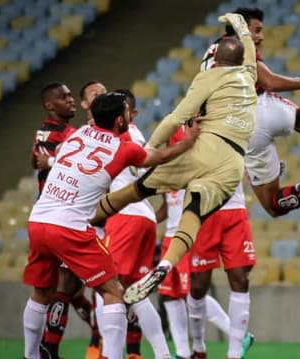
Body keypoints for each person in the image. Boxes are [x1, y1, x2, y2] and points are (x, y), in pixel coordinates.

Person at [87, 13, 259, 305]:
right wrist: (242, 28)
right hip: (232, 165)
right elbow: (251, 54)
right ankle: (165, 265)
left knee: (138, 189)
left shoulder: (209, 76)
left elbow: (176, 118)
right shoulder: (250, 75)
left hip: (205, 148)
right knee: (193, 212)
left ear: (215, 60)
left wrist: (150, 148)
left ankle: (86, 218)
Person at [22, 92, 200, 359]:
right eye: (127, 112)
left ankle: (30, 355)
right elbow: (158, 158)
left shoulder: (79, 133)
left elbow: (58, 158)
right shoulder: (123, 147)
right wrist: (188, 142)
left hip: (39, 219)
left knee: (42, 291)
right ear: (121, 119)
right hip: (71, 226)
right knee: (113, 290)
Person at [200, 7, 300, 218]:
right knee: (299, 114)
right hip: (260, 107)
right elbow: (270, 82)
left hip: (241, 130)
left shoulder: (212, 51)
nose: (261, 37)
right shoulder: (239, 46)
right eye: (256, 31)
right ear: (241, 28)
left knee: (273, 205)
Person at [156, 128, 255, 359]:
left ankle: (233, 351)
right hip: (197, 221)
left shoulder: (231, 126)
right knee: (192, 289)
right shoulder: (177, 156)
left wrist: (267, 170)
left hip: (230, 213)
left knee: (240, 278)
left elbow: (252, 163)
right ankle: (195, 348)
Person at [99, 89, 170, 359]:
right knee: (135, 293)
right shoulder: (139, 137)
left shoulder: (115, 136)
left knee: (106, 285)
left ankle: (109, 353)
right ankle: (163, 355)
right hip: (145, 216)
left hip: (124, 216)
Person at [31, 82, 95, 359]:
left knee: (63, 289)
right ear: (49, 105)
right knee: (66, 286)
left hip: (46, 215)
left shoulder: (47, 131)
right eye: (64, 97)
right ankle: (50, 347)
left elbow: (39, 162)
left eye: (71, 95)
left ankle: (38, 350)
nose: (70, 100)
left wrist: (51, 162)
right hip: (65, 214)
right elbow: (76, 164)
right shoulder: (67, 134)